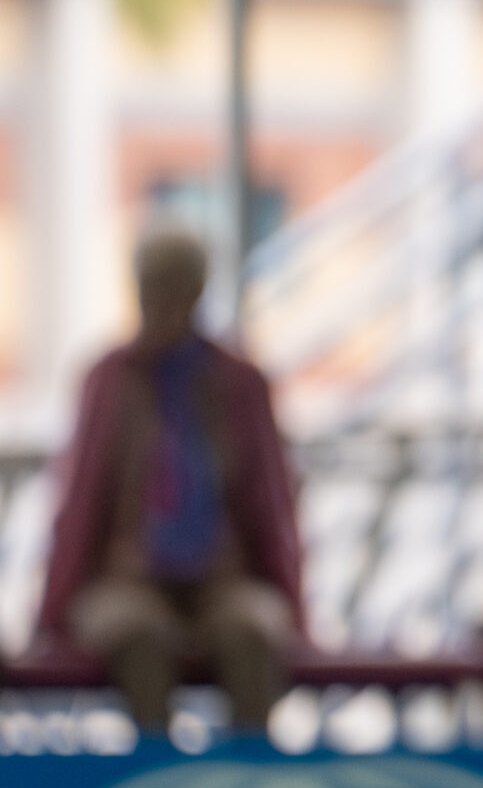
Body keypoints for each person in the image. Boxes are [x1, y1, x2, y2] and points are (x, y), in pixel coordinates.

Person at [38, 228, 304, 735]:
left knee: (251, 635)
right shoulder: (111, 379)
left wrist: (292, 605)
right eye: (148, 288)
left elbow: (270, 504)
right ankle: (155, 781)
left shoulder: (237, 383)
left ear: (196, 294)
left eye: (168, 288)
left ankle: (248, 778)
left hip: (223, 579)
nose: (155, 303)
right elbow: (79, 503)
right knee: (141, 642)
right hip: (127, 579)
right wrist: (53, 613)